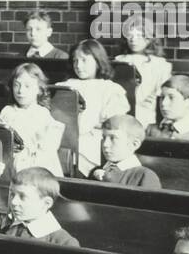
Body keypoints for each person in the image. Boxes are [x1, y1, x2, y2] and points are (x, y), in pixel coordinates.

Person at [57, 40, 130, 176]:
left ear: (98, 61)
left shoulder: (109, 89)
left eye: (84, 60)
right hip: (64, 139)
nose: (78, 65)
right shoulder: (64, 86)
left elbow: (111, 122)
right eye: (75, 61)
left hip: (94, 142)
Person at [0, 63, 64, 177]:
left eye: (27, 86)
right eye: (16, 85)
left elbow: (48, 149)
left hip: (35, 164)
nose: (20, 91)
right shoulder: (7, 111)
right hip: (9, 162)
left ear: (39, 89)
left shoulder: (42, 114)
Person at [114, 22, 173, 127]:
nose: (133, 39)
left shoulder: (160, 64)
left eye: (139, 36)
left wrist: (155, 98)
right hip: (123, 108)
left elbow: (163, 89)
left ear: (149, 39)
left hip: (148, 111)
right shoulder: (119, 61)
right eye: (130, 36)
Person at [2, 167, 79, 246]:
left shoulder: (64, 243)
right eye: (12, 194)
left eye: (22, 196)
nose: (13, 202)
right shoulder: (8, 229)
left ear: (46, 203)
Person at [91, 115, 162, 189]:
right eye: (104, 137)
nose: (105, 144)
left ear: (134, 144)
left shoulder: (145, 176)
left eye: (113, 138)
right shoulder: (96, 171)